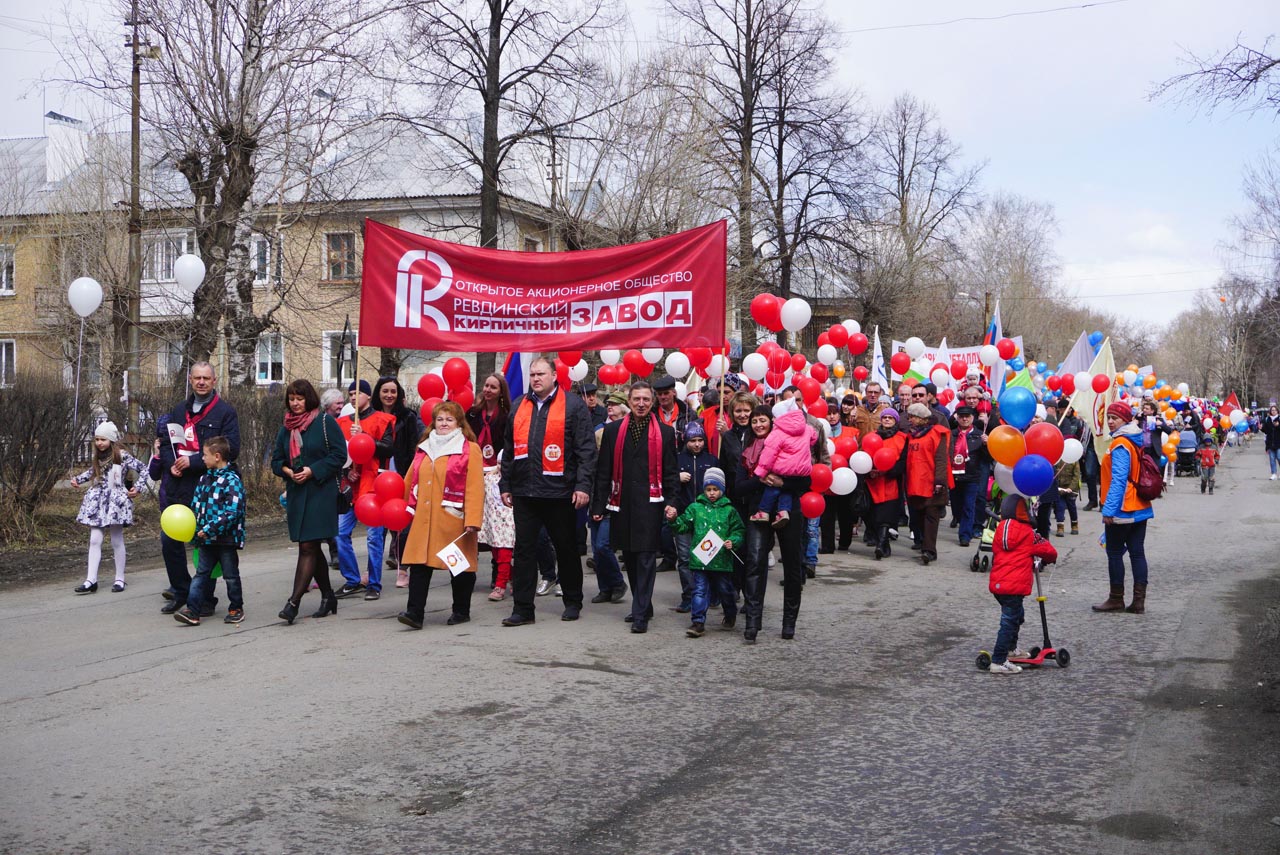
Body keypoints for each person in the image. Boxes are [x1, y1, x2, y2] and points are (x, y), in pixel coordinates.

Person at [500, 356, 597, 626]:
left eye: (541, 374)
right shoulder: (519, 405)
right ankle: (522, 609)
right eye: (532, 375)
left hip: (560, 492)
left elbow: (586, 450)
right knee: (524, 550)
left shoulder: (574, 406)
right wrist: (505, 484)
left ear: (554, 376)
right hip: (524, 492)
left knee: (565, 549)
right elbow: (508, 450)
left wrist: (583, 485)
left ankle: (573, 600)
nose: (536, 379)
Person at [591, 380, 679, 633]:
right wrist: (599, 505)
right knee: (629, 556)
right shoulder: (613, 431)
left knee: (646, 557)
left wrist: (672, 501)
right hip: (622, 504)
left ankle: (640, 612)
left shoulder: (665, 433)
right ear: (629, 401)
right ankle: (645, 604)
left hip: (651, 505)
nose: (641, 404)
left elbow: (671, 472)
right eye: (637, 399)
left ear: (652, 403)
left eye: (646, 400)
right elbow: (603, 471)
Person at [157, 361, 241, 617]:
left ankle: (205, 597)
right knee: (169, 539)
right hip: (178, 485)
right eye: (197, 378)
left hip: (209, 488)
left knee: (207, 543)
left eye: (206, 378)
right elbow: (166, 443)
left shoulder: (225, 412)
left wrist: (192, 462)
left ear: (214, 381)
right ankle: (181, 589)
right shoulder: (178, 409)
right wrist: (172, 464)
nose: (201, 382)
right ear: (190, 380)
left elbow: (232, 449)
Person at [398, 401, 486, 629]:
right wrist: (399, 506)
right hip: (423, 519)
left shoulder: (470, 449)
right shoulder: (424, 447)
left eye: (449, 419)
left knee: (459, 568)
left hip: (453, 518)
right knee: (419, 566)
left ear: (459, 423)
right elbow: (410, 478)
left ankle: (461, 611)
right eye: (440, 419)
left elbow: (475, 486)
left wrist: (473, 520)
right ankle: (414, 613)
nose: (444, 423)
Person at [271, 379, 348, 624]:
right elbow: (276, 460)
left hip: (320, 492)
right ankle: (328, 596)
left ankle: (293, 603)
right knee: (310, 547)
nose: (295, 404)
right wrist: (287, 471)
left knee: (307, 547)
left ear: (309, 399)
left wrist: (313, 470)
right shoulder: (286, 427)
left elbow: (339, 456)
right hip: (297, 493)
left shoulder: (325, 422)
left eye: (299, 399)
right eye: (291, 399)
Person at [736, 403, 813, 642]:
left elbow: (805, 482)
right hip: (757, 511)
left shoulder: (792, 442)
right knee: (755, 563)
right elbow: (739, 487)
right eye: (754, 421)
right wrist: (763, 480)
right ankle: (752, 622)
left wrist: (782, 484)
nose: (758, 425)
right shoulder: (747, 449)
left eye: (763, 420)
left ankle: (789, 622)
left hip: (789, 511)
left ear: (772, 421)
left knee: (792, 563)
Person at [175, 436, 246, 626]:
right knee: (201, 574)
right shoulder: (204, 479)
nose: (202, 458)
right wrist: (196, 530)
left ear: (217, 456)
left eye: (204, 455)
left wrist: (210, 528)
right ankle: (193, 610)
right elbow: (196, 507)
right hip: (205, 538)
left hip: (226, 538)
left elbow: (233, 512)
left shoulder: (232, 480)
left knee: (230, 575)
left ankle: (236, 608)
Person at [71, 421, 148, 594]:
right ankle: (91, 580)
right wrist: (78, 479)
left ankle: (119, 578)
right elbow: (93, 472)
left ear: (111, 440)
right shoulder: (98, 456)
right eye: (97, 439)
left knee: (116, 539)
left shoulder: (122, 455)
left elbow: (143, 469)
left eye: (103, 439)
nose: (99, 443)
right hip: (97, 500)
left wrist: (138, 487)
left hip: (115, 501)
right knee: (94, 540)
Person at [335, 380, 395, 600]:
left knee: (374, 537)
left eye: (358, 393)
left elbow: (388, 449)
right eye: (350, 393)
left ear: (368, 396)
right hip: (351, 487)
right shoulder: (341, 423)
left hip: (374, 486)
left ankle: (374, 583)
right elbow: (338, 454)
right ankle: (352, 579)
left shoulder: (383, 420)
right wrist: (345, 473)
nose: (353, 397)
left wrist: (365, 437)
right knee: (339, 533)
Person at [985, 495, 1058, 674]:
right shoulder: (1028, 534)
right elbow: (1050, 551)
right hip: (1014, 587)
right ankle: (999, 660)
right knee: (1009, 621)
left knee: (1016, 615)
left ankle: (1011, 648)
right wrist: (1048, 559)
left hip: (999, 585)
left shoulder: (1000, 529)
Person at [1093, 402, 1155, 615]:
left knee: (1114, 552)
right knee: (1137, 553)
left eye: (1115, 418)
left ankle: (1116, 599)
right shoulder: (1134, 439)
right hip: (1140, 504)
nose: (1110, 421)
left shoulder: (1121, 442)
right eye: (1108, 417)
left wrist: (1109, 510)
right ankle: (1138, 602)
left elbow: (1119, 479)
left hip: (1123, 507)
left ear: (1125, 420)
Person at [670, 466, 744, 637]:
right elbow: (682, 525)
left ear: (722, 490)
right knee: (700, 590)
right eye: (708, 489)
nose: (711, 493)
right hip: (701, 561)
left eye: (715, 489)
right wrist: (673, 520)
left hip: (722, 561)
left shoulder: (729, 510)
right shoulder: (695, 508)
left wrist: (733, 541)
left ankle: (730, 613)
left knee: (725, 590)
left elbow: (739, 530)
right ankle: (697, 622)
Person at [373, 376, 425, 588]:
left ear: (399, 394)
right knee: (377, 527)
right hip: (377, 475)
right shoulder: (371, 416)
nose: (389, 395)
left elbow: (417, 445)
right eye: (385, 391)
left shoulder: (409, 417)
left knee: (403, 523)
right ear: (378, 393)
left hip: (403, 474)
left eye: (393, 391)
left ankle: (403, 569)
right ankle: (372, 570)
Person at [587, 391, 629, 605]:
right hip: (596, 497)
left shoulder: (626, 433)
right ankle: (606, 588)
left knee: (604, 545)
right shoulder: (599, 434)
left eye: (615, 404)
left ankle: (617, 582)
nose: (610, 406)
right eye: (609, 403)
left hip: (614, 500)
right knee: (596, 547)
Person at [749, 402, 816, 528]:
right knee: (786, 490)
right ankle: (783, 511)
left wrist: (761, 472)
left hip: (783, 468)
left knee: (773, 487)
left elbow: (768, 455)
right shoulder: (807, 428)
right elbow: (814, 438)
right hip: (802, 469)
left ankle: (764, 511)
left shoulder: (777, 433)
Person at [673, 422, 717, 611]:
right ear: (686, 440)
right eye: (693, 441)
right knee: (684, 557)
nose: (697, 444)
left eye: (700, 440)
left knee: (708, 555)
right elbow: (667, 483)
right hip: (684, 515)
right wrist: (676, 477)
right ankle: (689, 595)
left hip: (707, 516)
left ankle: (709, 593)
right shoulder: (677, 460)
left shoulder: (712, 460)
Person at [904, 403, 952, 564]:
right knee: (919, 517)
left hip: (932, 484)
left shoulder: (937, 434)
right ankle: (925, 545)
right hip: (916, 483)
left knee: (931, 518)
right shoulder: (911, 436)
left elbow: (941, 460)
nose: (910, 420)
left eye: (912, 417)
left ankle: (929, 551)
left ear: (921, 418)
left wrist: (939, 482)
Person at [866, 409, 907, 559]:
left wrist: (888, 471)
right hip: (873, 482)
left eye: (891, 418)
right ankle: (884, 545)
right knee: (875, 515)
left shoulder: (903, 438)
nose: (887, 420)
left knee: (886, 514)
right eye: (885, 417)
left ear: (896, 420)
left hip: (892, 481)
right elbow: (865, 456)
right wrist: (870, 470)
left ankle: (881, 544)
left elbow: (903, 461)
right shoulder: (872, 437)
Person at [949, 406, 986, 547]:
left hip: (972, 477)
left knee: (968, 506)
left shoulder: (979, 435)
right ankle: (959, 520)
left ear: (973, 418)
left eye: (968, 416)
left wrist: (986, 445)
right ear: (957, 418)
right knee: (957, 506)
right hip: (954, 476)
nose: (965, 419)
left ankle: (965, 535)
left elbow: (987, 458)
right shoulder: (951, 434)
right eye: (962, 416)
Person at [319, 388, 346, 569]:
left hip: (341, 473)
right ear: (328, 405)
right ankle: (333, 551)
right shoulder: (320, 423)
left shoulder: (345, 421)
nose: (341, 406)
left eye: (342, 403)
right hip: (324, 472)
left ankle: (337, 553)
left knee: (336, 515)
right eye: (338, 403)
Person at [1053, 457, 1081, 536]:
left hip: (1071, 489)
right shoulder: (1057, 458)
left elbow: (1076, 475)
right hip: (1059, 488)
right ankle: (1060, 527)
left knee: (1072, 507)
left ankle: (1074, 525)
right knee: (1059, 507)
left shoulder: (1074, 459)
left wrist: (1071, 488)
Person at [1261, 404, 1280, 480]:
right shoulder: (1267, 419)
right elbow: (1266, 431)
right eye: (1272, 410)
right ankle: (1274, 474)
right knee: (1272, 459)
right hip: (1270, 443)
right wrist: (1261, 428)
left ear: (1277, 411)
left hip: (1279, 442)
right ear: (1270, 411)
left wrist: (1278, 425)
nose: (1273, 411)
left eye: (1275, 410)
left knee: (1279, 457)